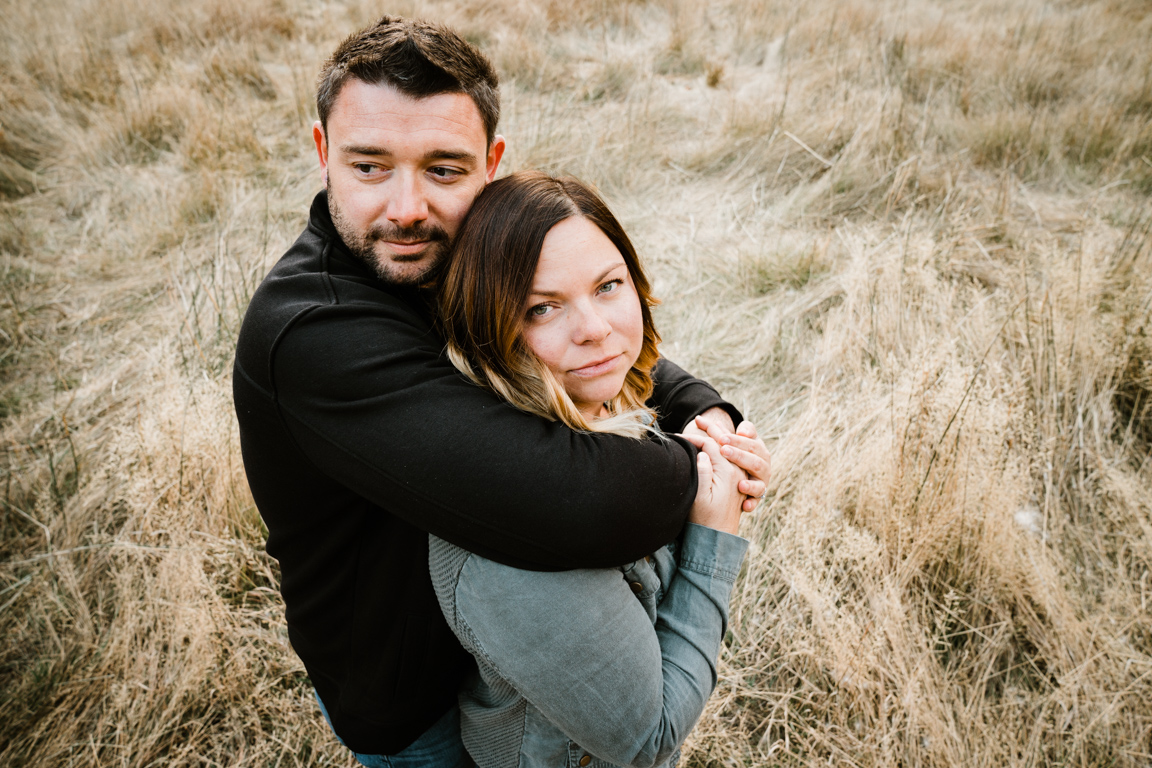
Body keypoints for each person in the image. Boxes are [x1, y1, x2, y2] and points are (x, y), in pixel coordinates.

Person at [231, 16, 771, 768]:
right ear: (324, 154)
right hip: (408, 699)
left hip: (509, 662)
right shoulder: (314, 334)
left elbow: (574, 335)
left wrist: (703, 409)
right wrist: (704, 476)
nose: (408, 206)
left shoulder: (450, 248)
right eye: (370, 166)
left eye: (444, 170)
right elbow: (569, 498)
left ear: (491, 162)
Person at [430, 171, 756, 768]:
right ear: (489, 328)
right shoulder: (507, 521)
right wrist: (714, 535)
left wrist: (715, 437)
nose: (595, 330)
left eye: (607, 286)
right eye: (542, 308)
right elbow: (647, 740)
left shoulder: (607, 403)